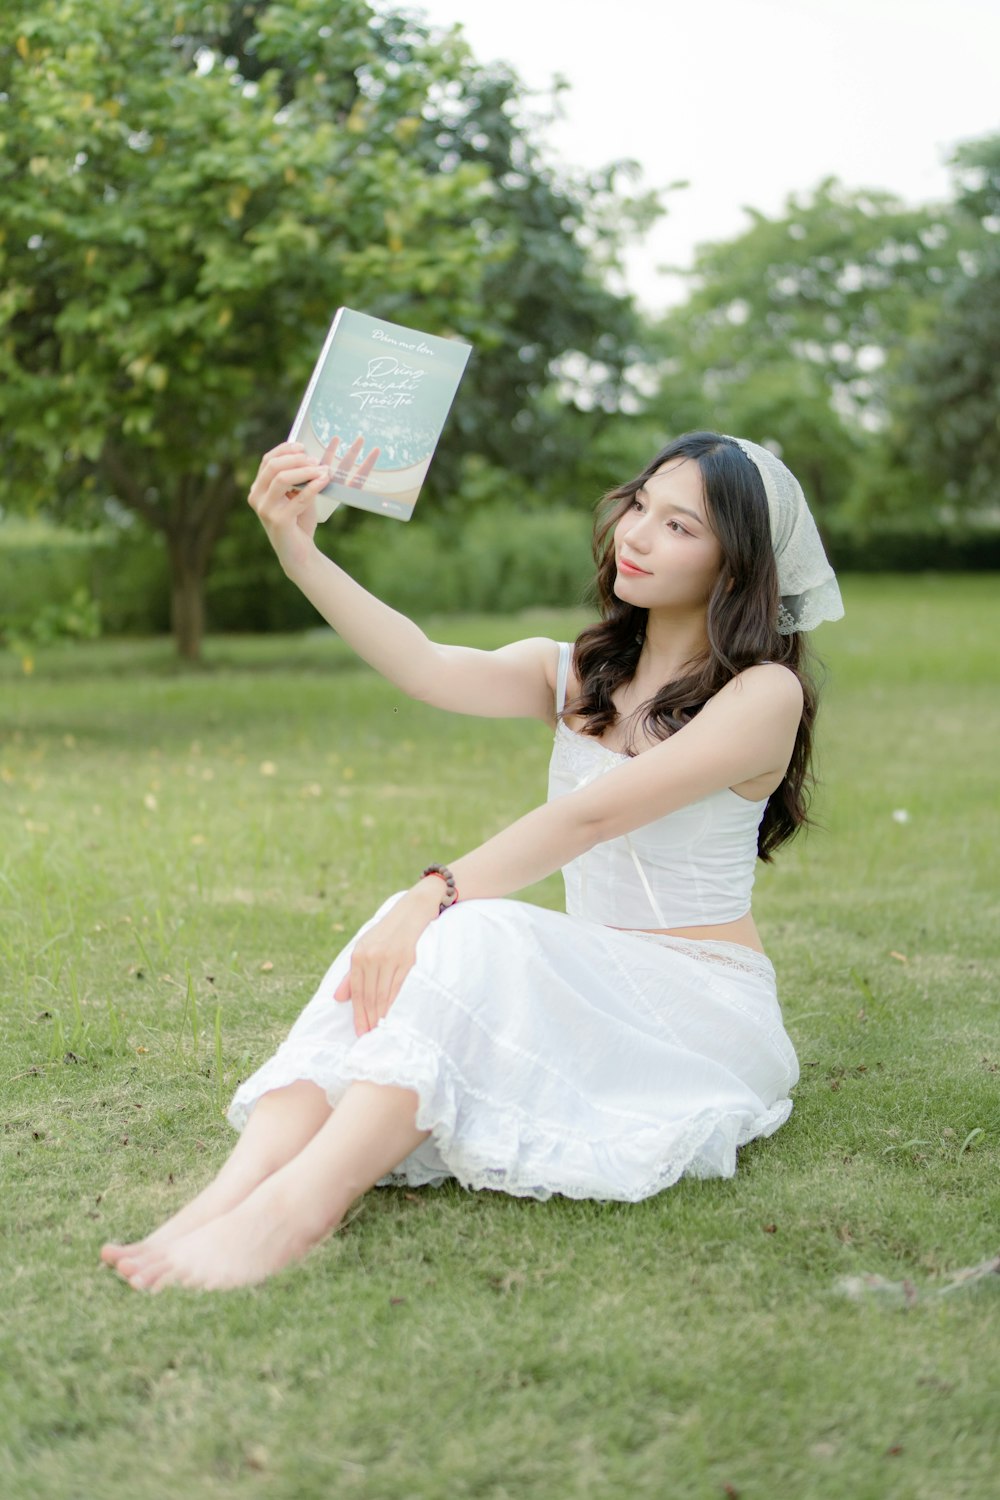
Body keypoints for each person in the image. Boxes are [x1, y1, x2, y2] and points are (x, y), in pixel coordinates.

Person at [102, 429, 843, 1292]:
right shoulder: (581, 673)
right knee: (414, 924)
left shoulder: (763, 693)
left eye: (680, 527)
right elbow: (422, 665)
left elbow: (592, 816)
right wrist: (297, 550)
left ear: (735, 564)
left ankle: (295, 1211)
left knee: (467, 925)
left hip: (696, 1004)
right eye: (640, 505)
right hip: (594, 979)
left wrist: (437, 893)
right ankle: (224, 1196)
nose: (637, 535)